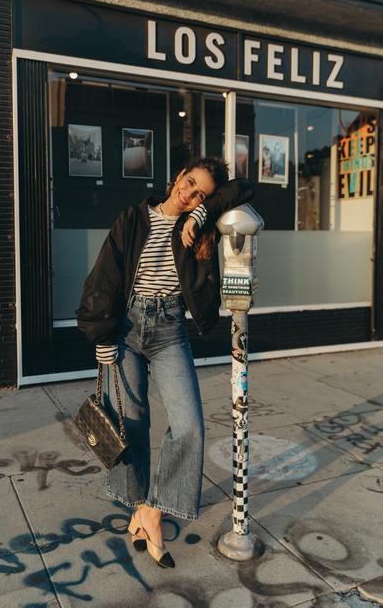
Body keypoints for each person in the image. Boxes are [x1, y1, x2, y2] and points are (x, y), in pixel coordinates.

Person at [76, 156, 254, 568]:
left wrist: (203, 213)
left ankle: (152, 513)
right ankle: (139, 509)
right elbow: (104, 276)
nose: (188, 193)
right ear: (177, 176)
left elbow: (246, 189)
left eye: (200, 193)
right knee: (132, 423)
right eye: (188, 183)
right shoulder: (133, 218)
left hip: (170, 329)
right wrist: (100, 336)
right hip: (126, 327)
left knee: (189, 424)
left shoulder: (201, 224)